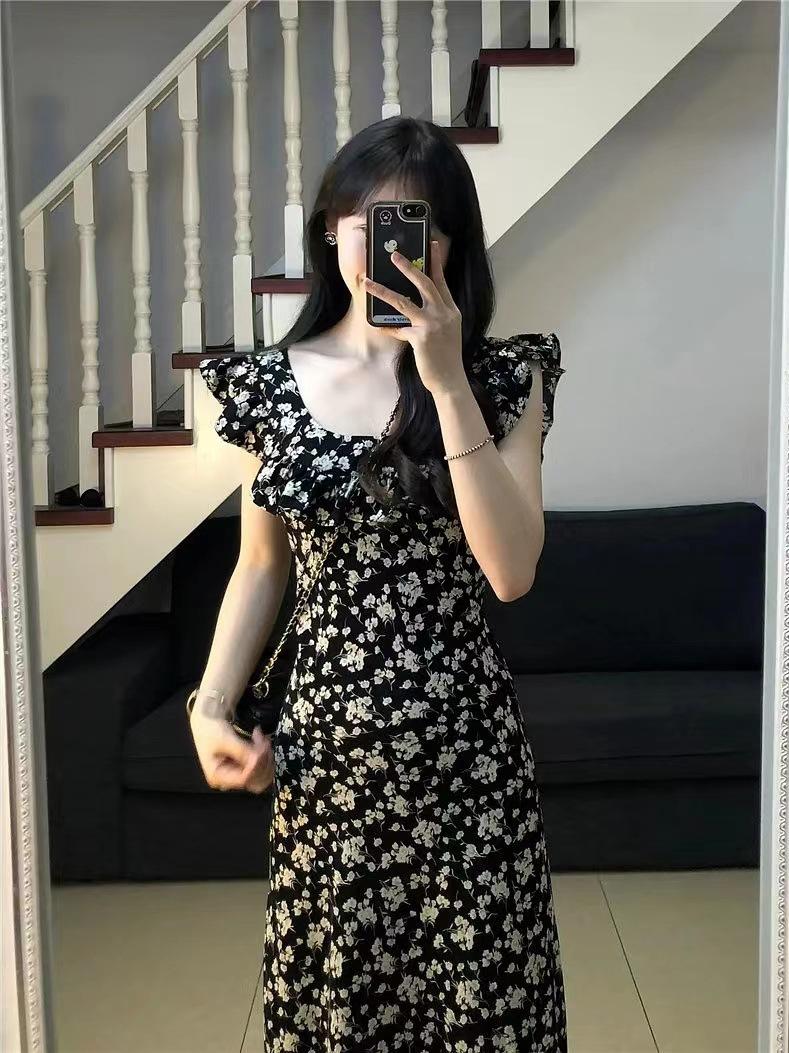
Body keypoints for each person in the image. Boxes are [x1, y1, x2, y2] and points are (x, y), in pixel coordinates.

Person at [191, 115, 568, 1052]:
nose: (392, 247)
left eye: (418, 225)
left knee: (489, 1014)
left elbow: (512, 571)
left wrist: (446, 383)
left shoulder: (505, 378)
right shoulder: (269, 386)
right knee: (344, 1014)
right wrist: (211, 706)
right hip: (329, 767)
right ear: (331, 228)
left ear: (452, 245)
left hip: (468, 764)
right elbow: (262, 564)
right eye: (370, 221)